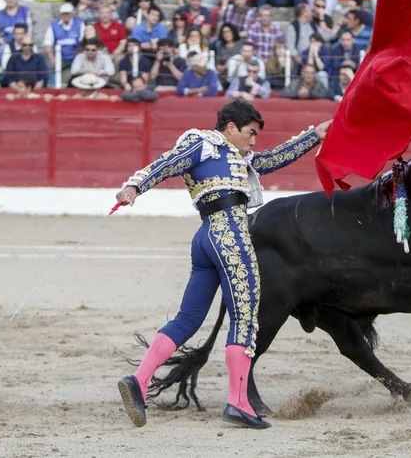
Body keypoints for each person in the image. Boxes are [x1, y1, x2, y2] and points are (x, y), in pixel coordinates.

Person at [115, 99, 332, 429]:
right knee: (245, 317)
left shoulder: (234, 154)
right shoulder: (204, 143)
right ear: (230, 127)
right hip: (230, 233)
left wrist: (314, 135)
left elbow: (272, 159)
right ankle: (238, 401)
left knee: (188, 318)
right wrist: (134, 185)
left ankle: (139, 382)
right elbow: (167, 163)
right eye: (250, 133)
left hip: (205, 237)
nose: (253, 141)